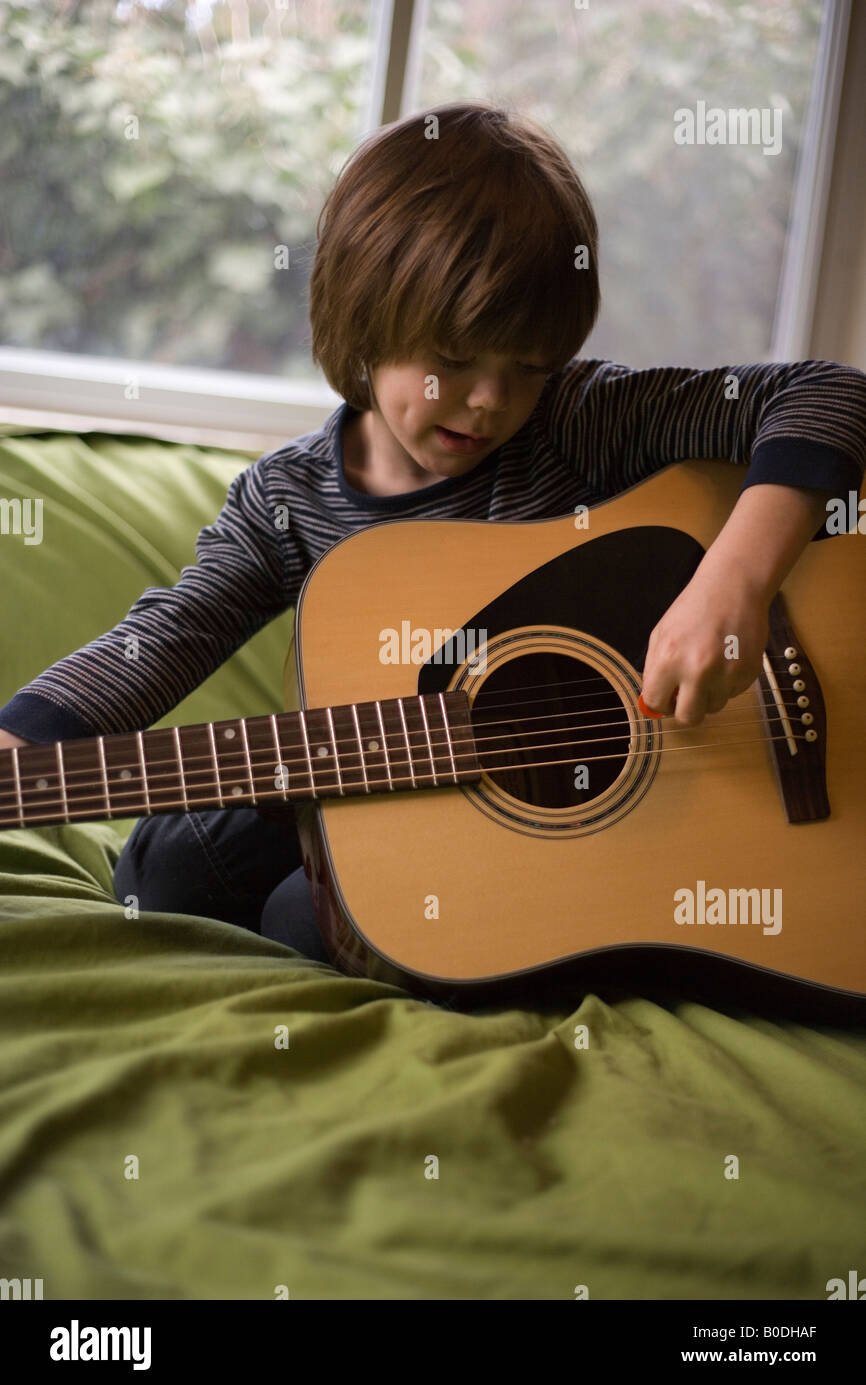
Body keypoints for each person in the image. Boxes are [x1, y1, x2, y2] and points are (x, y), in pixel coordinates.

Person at [1, 100, 864, 968]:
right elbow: (163, 639)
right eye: (453, 360)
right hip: (391, 791)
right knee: (167, 869)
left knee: (309, 921)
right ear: (364, 320)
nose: (491, 400)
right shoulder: (287, 499)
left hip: (590, 815)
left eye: (527, 367)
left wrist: (733, 586)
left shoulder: (576, 419)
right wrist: (20, 746)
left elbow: (828, 394)